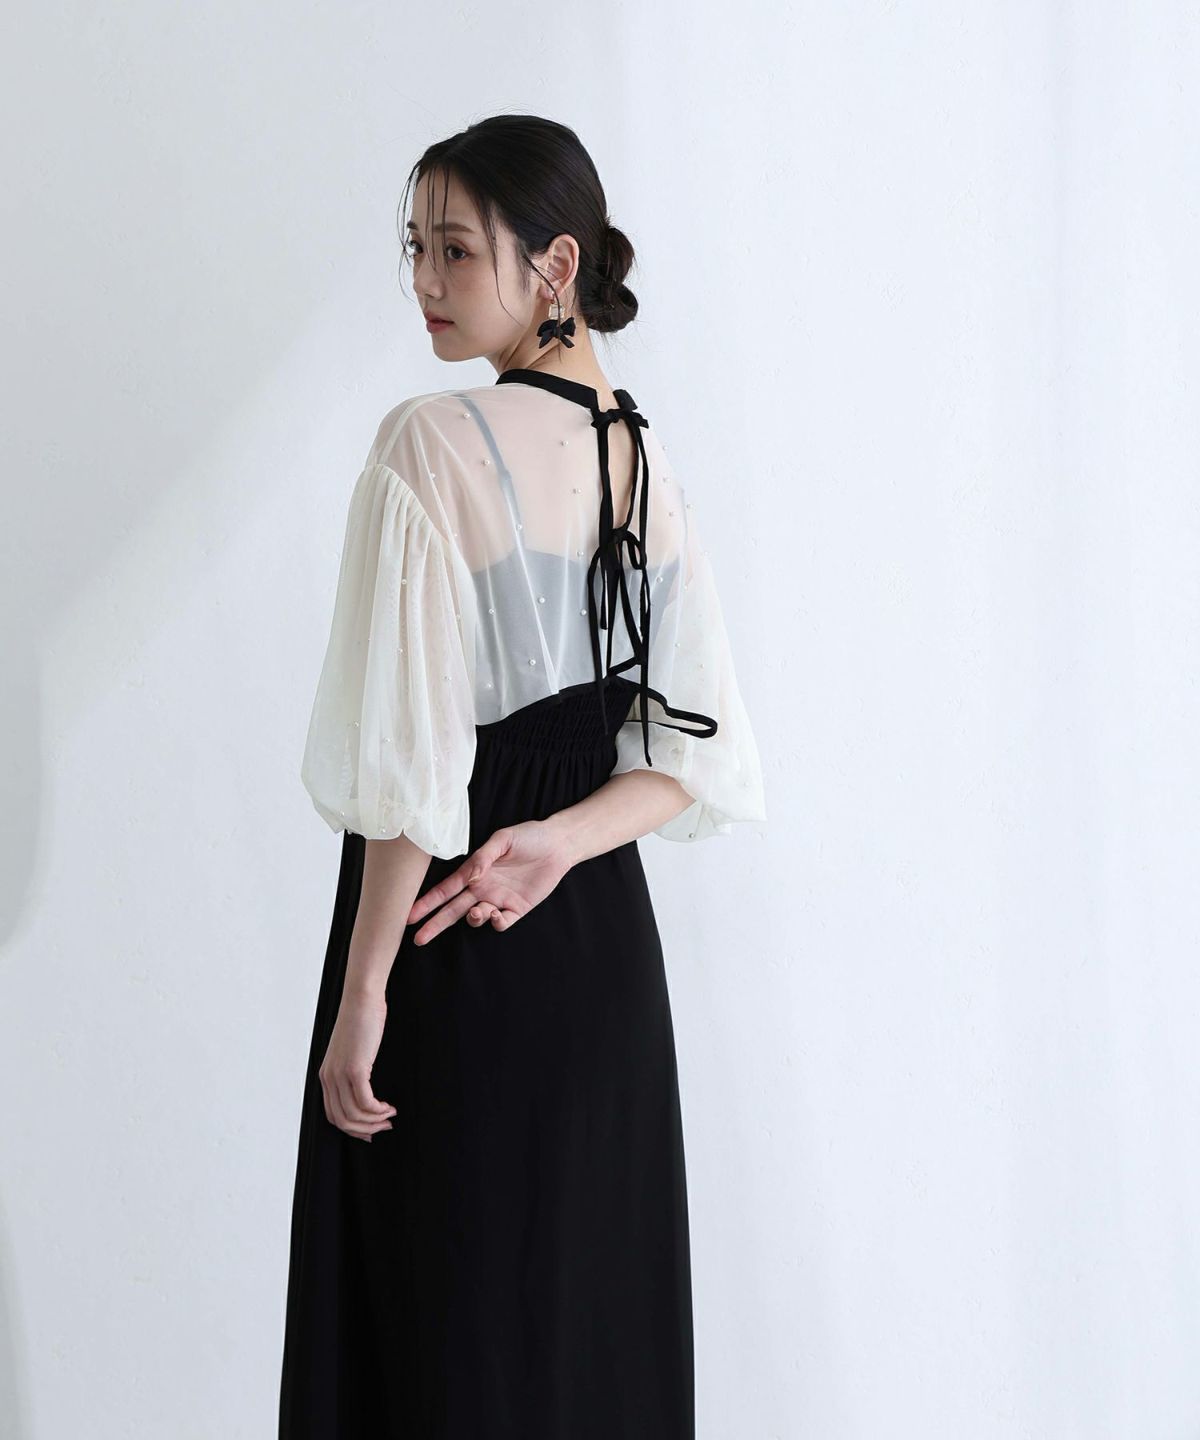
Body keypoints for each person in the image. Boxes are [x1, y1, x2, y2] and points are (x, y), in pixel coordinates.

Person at [278, 113, 766, 1439]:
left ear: (555, 267)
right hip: (601, 960)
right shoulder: (641, 460)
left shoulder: (430, 443)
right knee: (578, 1329)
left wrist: (363, 995)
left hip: (453, 945)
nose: (424, 283)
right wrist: (563, 843)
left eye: (454, 250)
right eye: (414, 249)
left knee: (442, 1334)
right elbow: (690, 759)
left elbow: (412, 774)